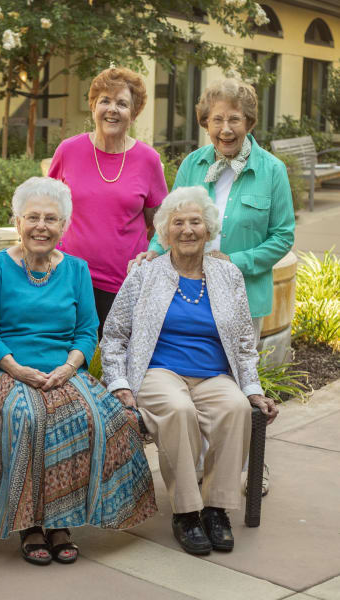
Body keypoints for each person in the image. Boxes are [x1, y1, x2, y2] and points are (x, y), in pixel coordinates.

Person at [0, 176, 156, 565]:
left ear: (64, 226)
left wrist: (70, 366)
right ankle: (29, 525)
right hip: (6, 368)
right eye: (33, 217)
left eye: (51, 219)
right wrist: (16, 368)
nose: (41, 226)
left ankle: (61, 522)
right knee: (24, 416)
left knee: (89, 415)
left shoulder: (76, 269)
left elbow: (88, 330)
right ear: (17, 222)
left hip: (64, 367)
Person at [136, 77, 294, 496]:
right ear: (206, 122)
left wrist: (233, 264)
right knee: (196, 385)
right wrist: (154, 251)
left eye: (235, 119)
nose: (226, 128)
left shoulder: (272, 171)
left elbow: (282, 235)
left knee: (239, 384)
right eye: (217, 119)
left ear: (249, 122)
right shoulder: (193, 163)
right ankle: (201, 474)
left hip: (241, 294)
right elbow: (170, 216)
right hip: (187, 286)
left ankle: (246, 466)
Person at [101, 186, 278, 556]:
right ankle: (186, 512)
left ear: (209, 229)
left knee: (236, 409)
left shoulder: (227, 275)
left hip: (214, 374)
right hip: (159, 371)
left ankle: (216, 510)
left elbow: (245, 342)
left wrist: (253, 388)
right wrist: (118, 383)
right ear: (164, 232)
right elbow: (114, 334)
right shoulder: (145, 274)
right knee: (178, 411)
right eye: (177, 223)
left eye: (196, 222)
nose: (187, 230)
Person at [49, 66, 168, 338]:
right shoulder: (68, 150)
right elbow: (48, 210)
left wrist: (150, 257)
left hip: (124, 284)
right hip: (69, 280)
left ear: (134, 113)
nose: (112, 109)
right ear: (93, 106)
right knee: (69, 358)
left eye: (122, 103)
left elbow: (159, 223)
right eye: (105, 100)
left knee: (116, 361)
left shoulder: (148, 159)